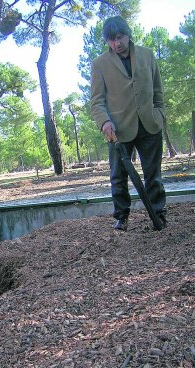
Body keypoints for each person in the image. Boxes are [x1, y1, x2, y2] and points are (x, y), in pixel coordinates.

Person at [91, 16, 167, 231]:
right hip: (117, 130)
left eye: (119, 37)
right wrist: (105, 122)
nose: (116, 43)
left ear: (128, 34)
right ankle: (121, 217)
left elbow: (158, 91)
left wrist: (159, 114)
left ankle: (158, 214)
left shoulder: (147, 55)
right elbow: (97, 101)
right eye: (111, 40)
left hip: (149, 125)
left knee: (153, 175)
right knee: (118, 177)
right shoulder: (99, 64)